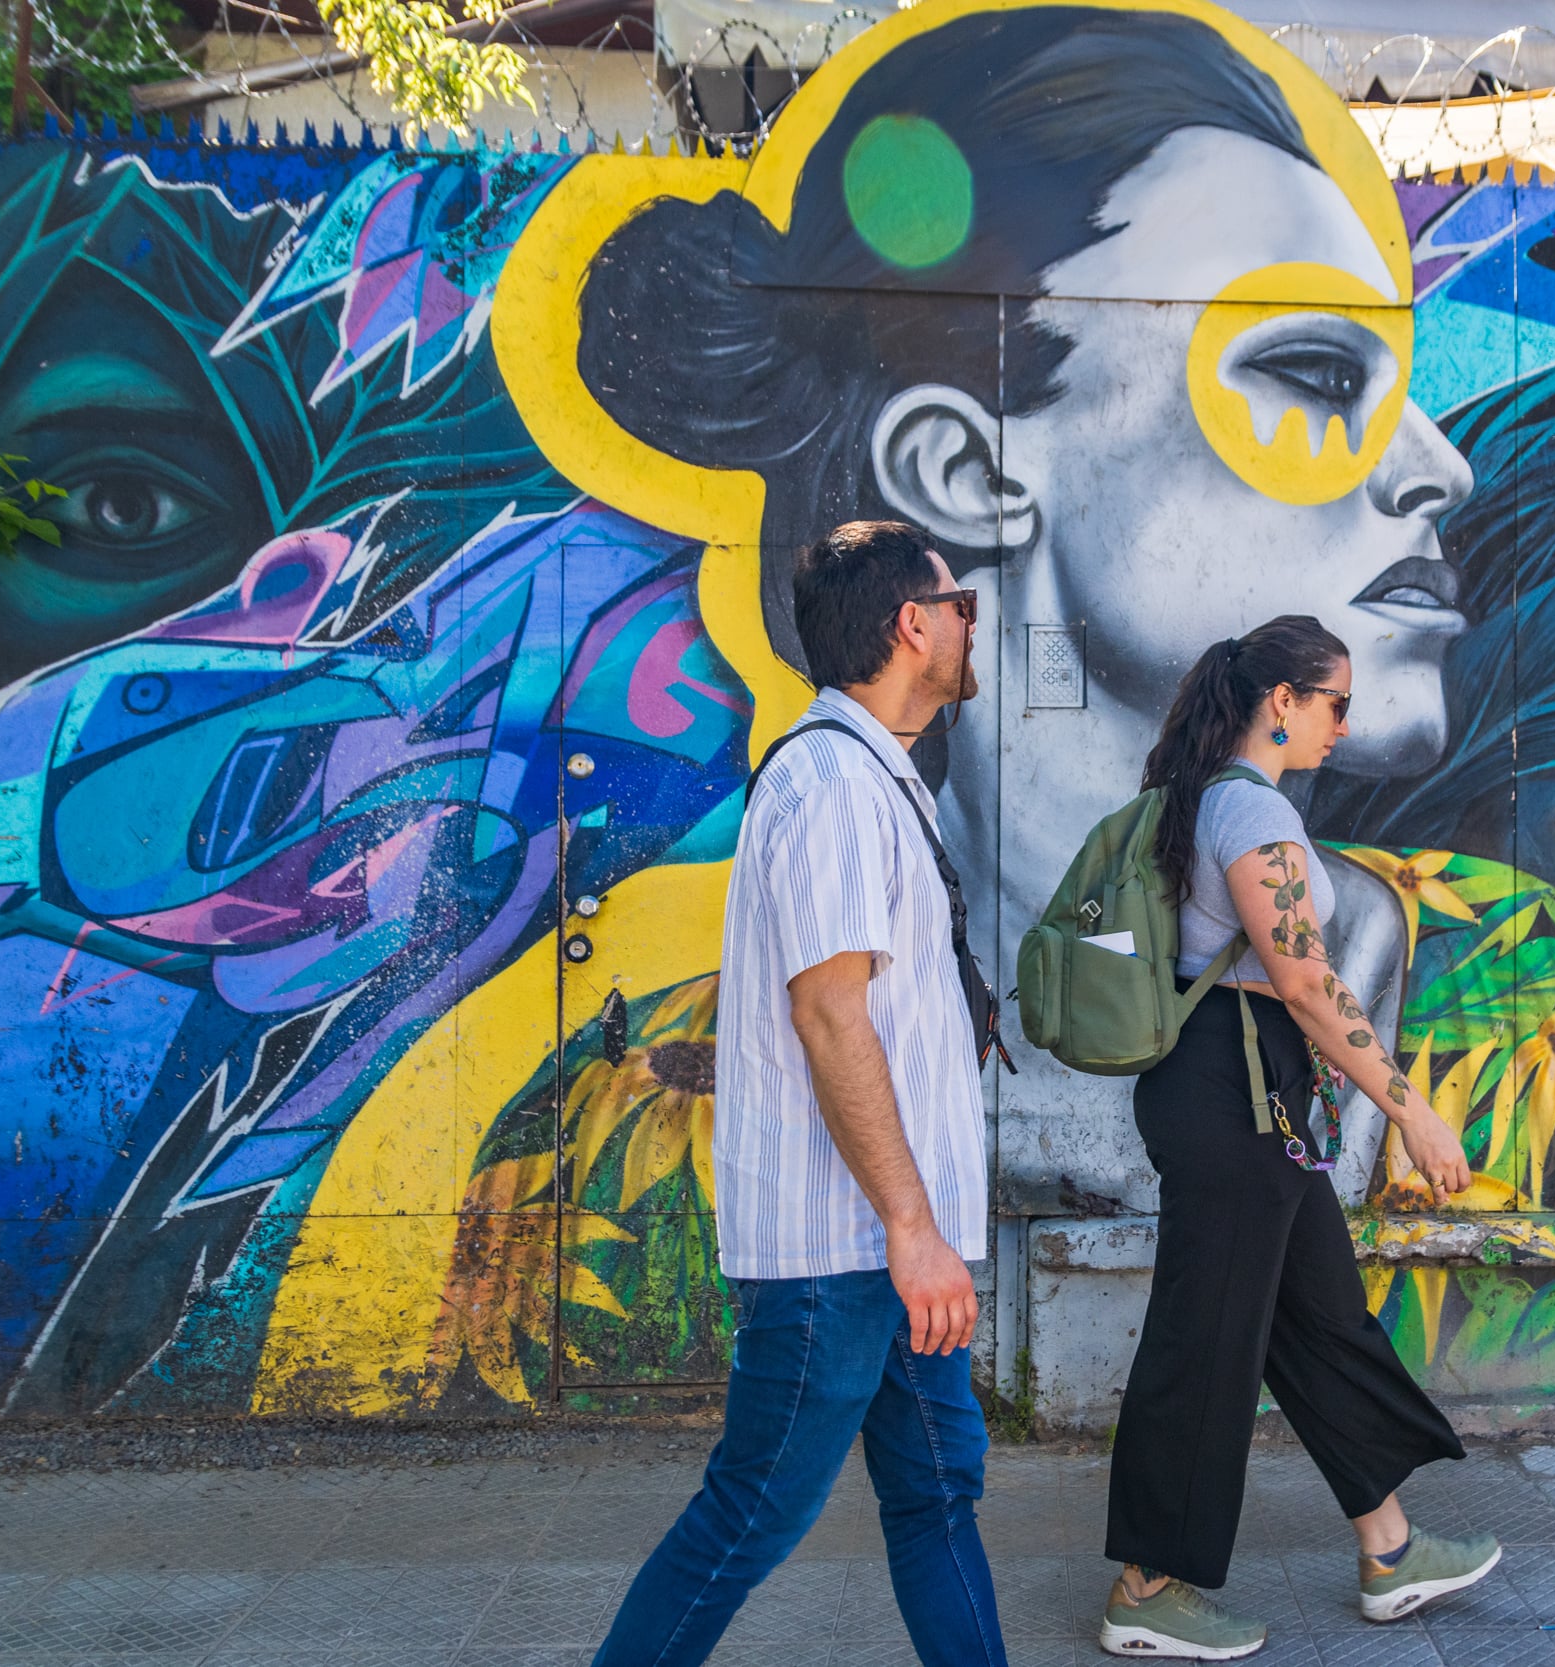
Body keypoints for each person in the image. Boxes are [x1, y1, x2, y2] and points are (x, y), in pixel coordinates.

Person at [572, 0, 1472, 1219]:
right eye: (1313, 371)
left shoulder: (1546, 1010)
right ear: (972, 472)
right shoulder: (655, 1082)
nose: (1437, 466)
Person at [593, 520, 1004, 1667]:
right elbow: (831, 1014)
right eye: (956, 601)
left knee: (936, 1496)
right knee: (752, 1512)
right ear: (911, 624)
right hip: (846, 1251)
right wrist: (914, 1230)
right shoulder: (828, 781)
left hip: (889, 1246)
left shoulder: (875, 771)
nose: (972, 621)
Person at [1097, 616, 1500, 1661]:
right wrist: (1408, 1106)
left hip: (1244, 1096)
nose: (1343, 723)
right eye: (1334, 703)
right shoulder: (1252, 809)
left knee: (1320, 1315)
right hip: (1232, 1100)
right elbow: (1308, 984)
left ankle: (1390, 1546)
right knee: (1207, 1338)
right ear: (1282, 700)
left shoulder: (1203, 796)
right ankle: (1147, 1583)